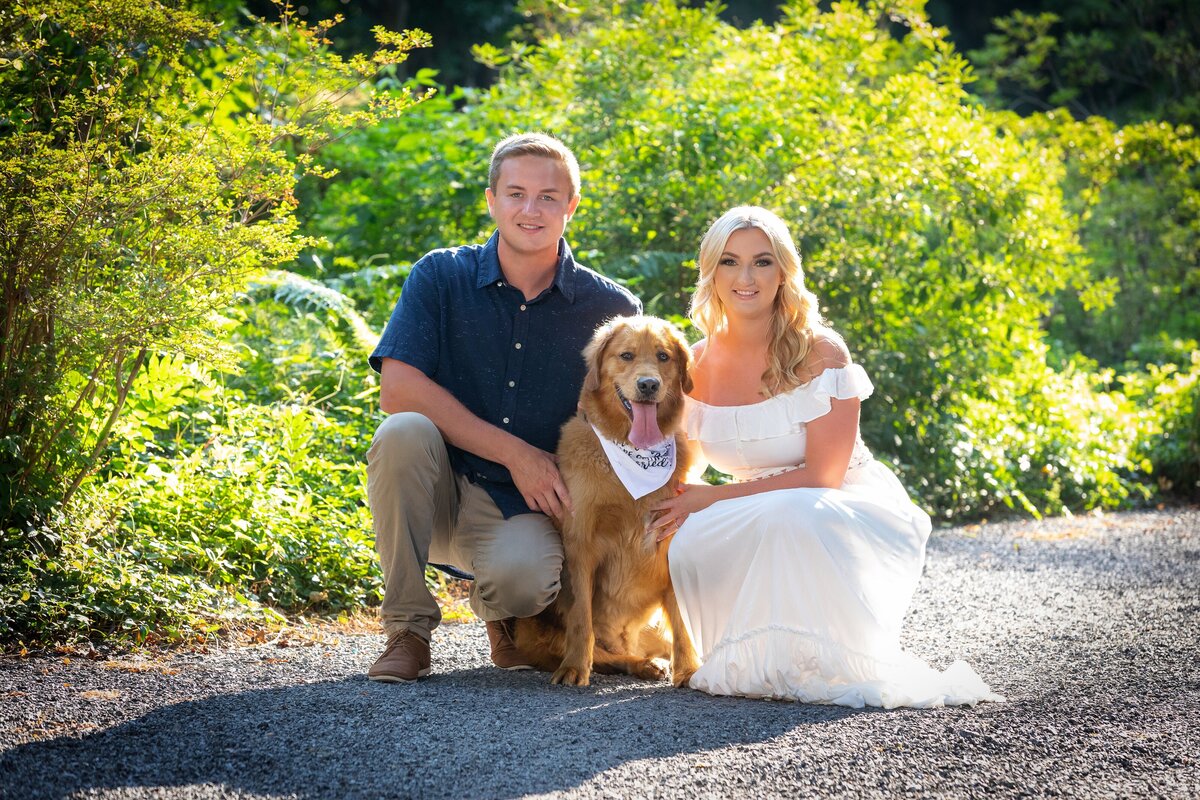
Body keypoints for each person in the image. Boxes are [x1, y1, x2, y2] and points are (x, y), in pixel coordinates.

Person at [650, 206, 1002, 708]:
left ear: (784, 272)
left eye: (762, 262)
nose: (745, 278)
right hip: (751, 507)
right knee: (683, 537)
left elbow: (823, 476)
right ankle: (736, 651)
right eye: (729, 262)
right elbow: (683, 461)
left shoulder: (820, 352)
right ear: (711, 272)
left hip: (834, 504)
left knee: (787, 513)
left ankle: (814, 657)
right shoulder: (695, 361)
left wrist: (713, 498)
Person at [366, 133, 641, 682]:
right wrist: (514, 452)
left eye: (547, 196)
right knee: (402, 431)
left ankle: (506, 615)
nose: (530, 209)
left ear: (572, 206)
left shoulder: (612, 308)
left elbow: (624, 429)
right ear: (491, 201)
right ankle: (407, 629)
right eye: (515, 194)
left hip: (525, 507)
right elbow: (396, 388)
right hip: (435, 485)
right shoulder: (440, 277)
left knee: (526, 577)